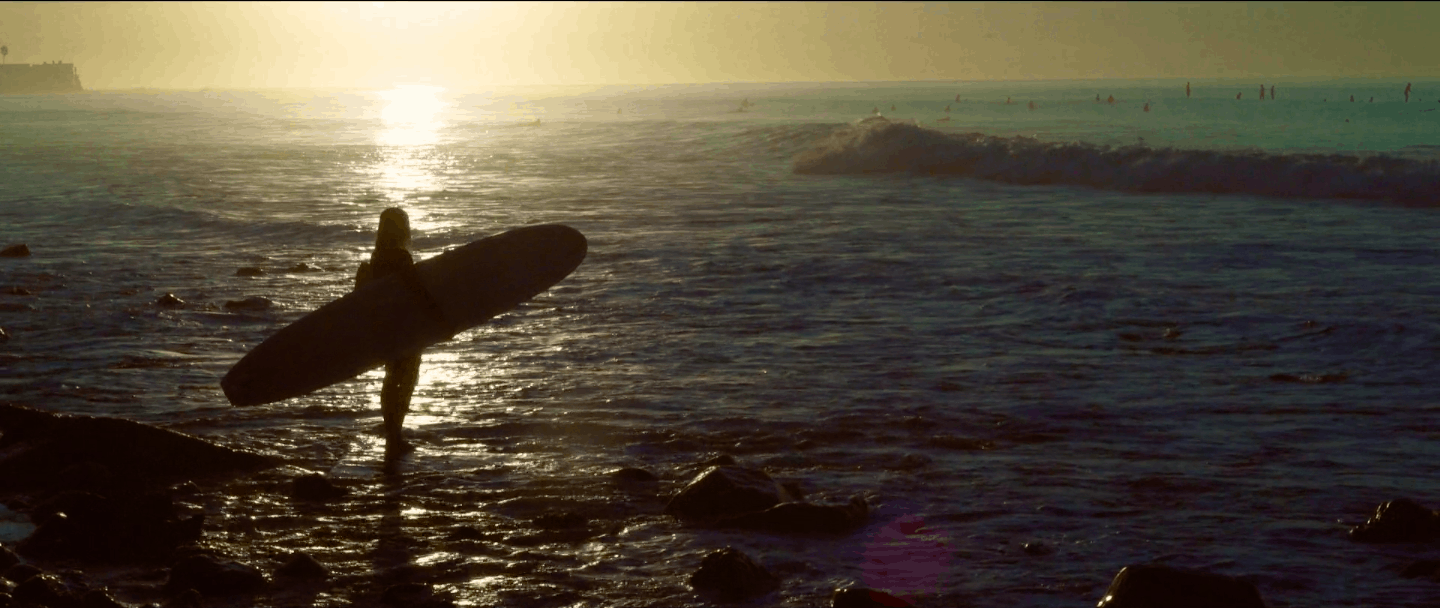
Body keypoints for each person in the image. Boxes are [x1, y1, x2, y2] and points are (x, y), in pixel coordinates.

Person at [355, 208, 423, 454]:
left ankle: (392, 432)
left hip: (383, 328)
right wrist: (441, 319)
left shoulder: (376, 259)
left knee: (391, 379)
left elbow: (361, 298)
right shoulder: (401, 256)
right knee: (406, 380)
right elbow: (417, 291)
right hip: (404, 327)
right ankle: (395, 436)